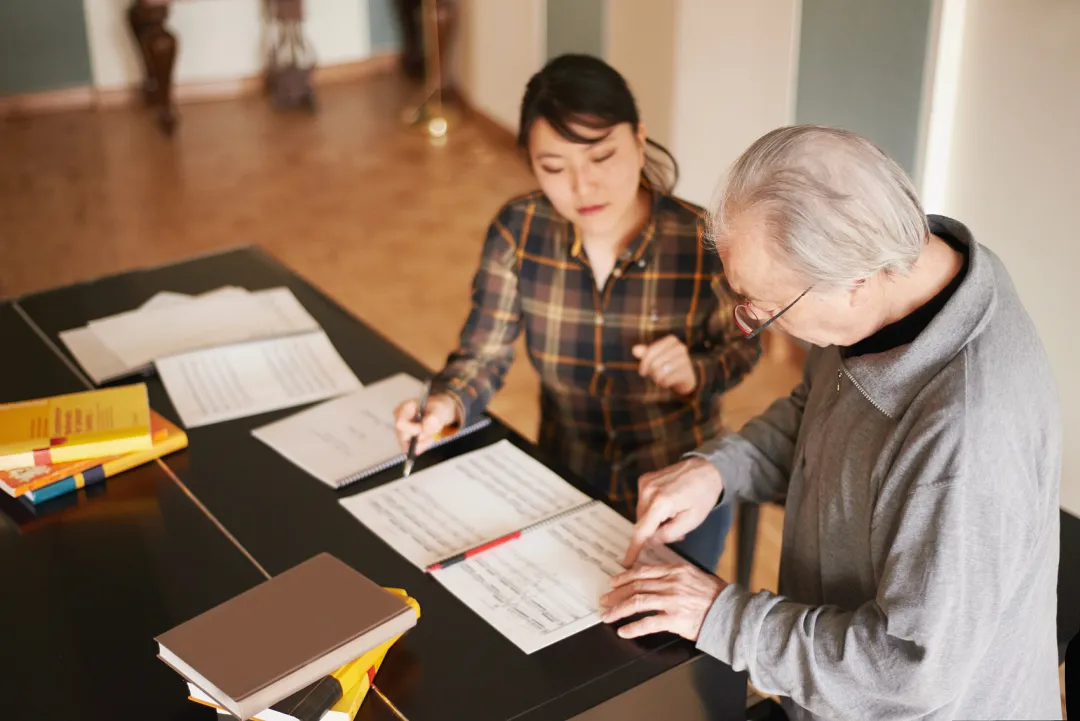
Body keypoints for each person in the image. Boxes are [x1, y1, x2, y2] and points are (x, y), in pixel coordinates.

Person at [601, 125, 1063, 720]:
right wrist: (717, 473)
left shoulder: (966, 437)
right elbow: (817, 409)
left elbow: (906, 674)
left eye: (767, 309)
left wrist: (721, 615)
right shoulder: (899, 274)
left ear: (857, 283)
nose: (755, 323)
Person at [392, 54, 761, 570]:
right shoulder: (518, 233)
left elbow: (746, 344)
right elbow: (483, 352)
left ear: (638, 138)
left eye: (601, 157)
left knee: (660, 641)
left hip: (678, 488)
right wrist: (446, 404)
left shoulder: (700, 243)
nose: (582, 187)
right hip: (564, 475)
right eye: (553, 167)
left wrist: (696, 371)